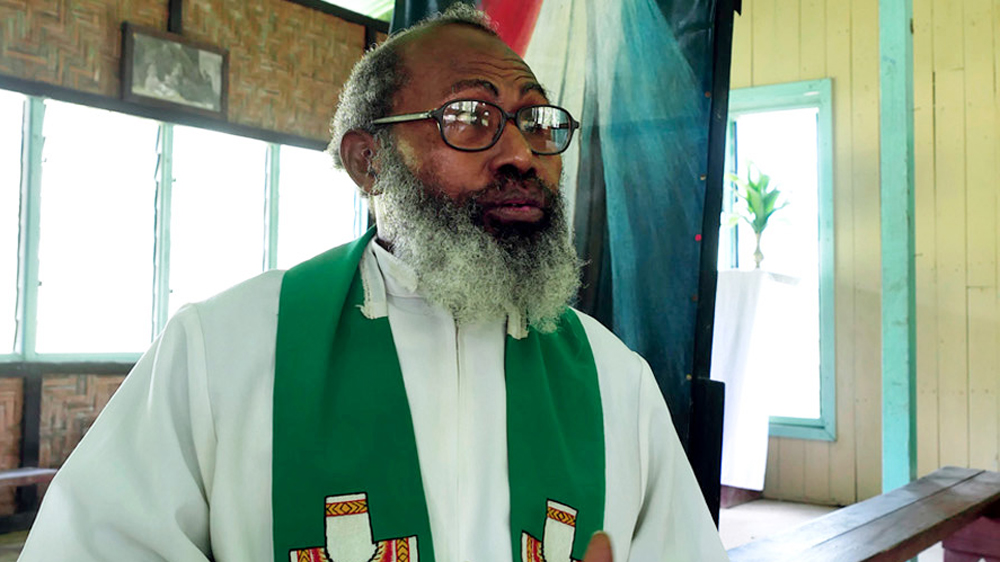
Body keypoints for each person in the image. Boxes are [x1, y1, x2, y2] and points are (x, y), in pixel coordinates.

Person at [20, 6, 728, 562]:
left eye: (536, 122)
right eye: (471, 119)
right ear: (369, 161)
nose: (521, 153)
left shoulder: (614, 381)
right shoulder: (224, 352)